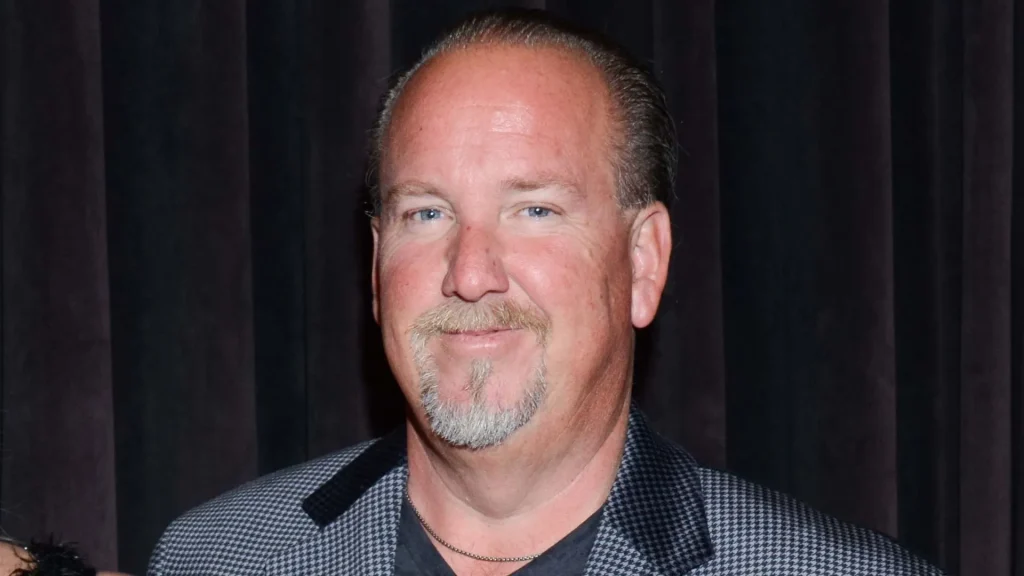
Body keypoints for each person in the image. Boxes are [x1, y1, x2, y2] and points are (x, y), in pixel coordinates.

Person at [149, 8, 944, 575]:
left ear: (643, 263)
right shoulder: (211, 559)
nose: (469, 273)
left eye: (534, 210)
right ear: (376, 262)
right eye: (427, 213)